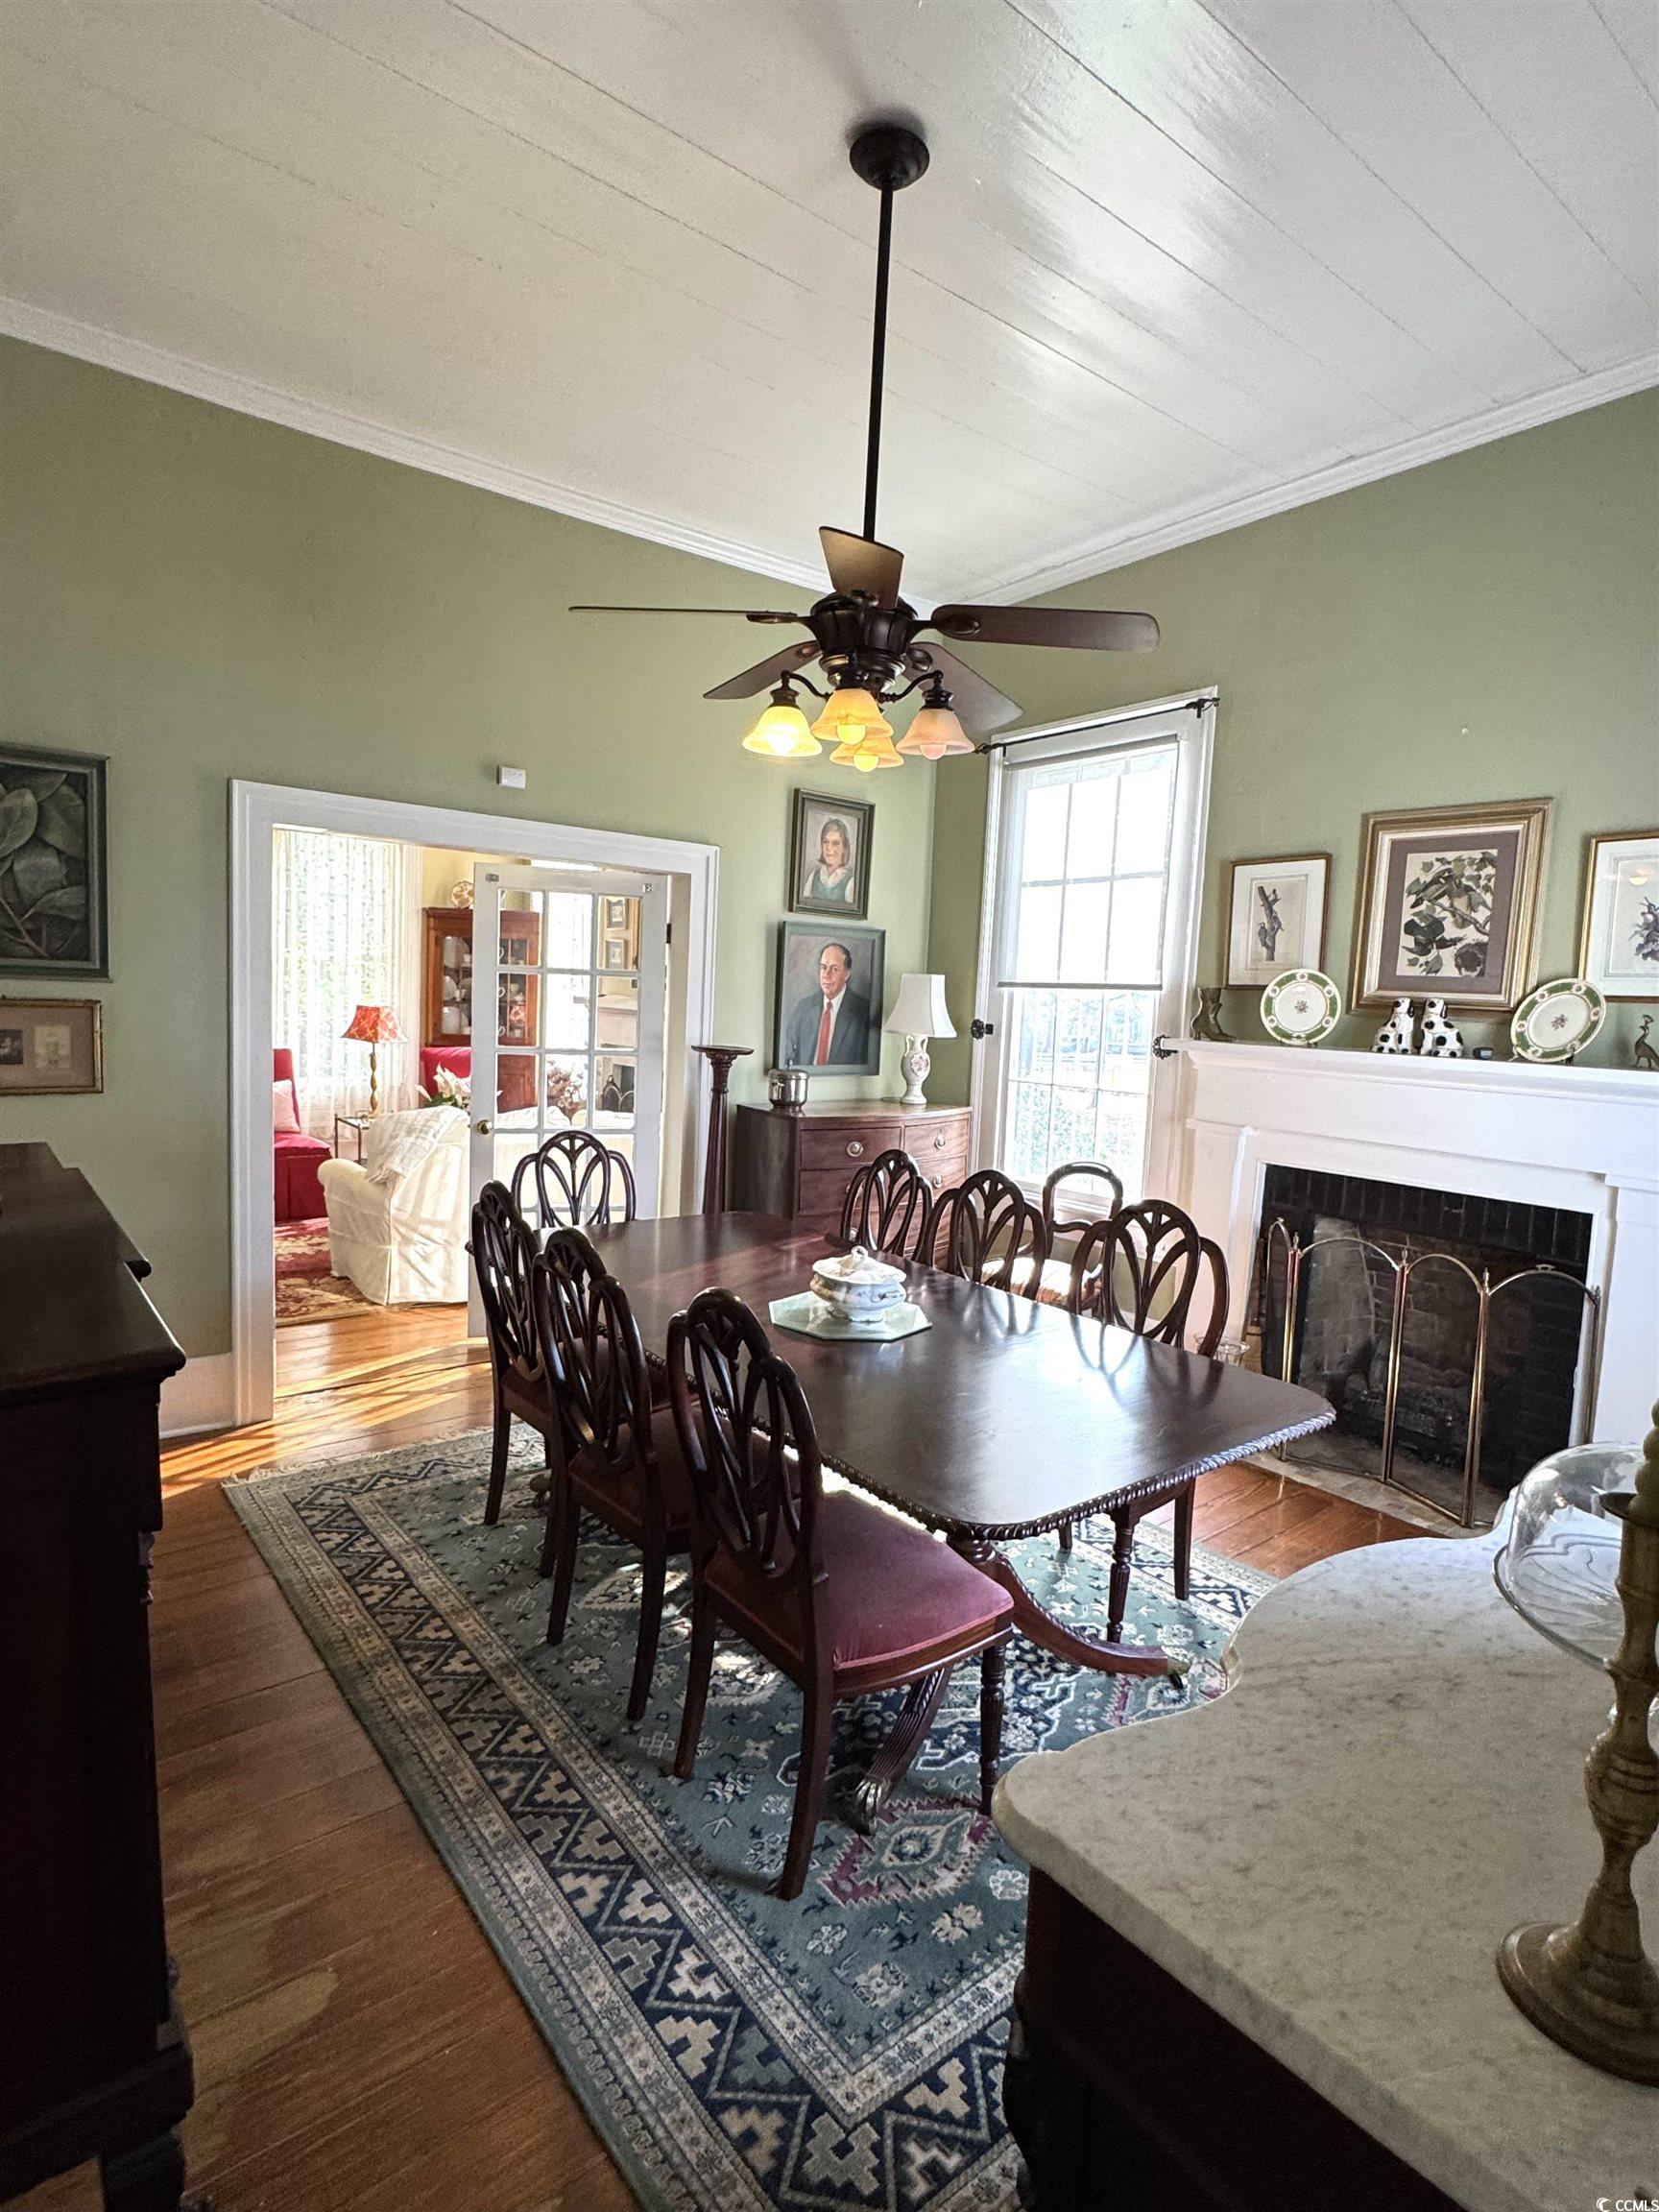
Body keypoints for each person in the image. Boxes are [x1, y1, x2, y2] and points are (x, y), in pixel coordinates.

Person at [781, 940, 872, 1068]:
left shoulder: (863, 1012)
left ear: (846, 974)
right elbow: (788, 1055)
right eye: (823, 967)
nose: (826, 975)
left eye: (834, 969)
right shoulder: (804, 1008)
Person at [801, 816, 858, 907]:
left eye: (835, 843)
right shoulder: (813, 876)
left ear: (845, 847)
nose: (829, 848)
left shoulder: (850, 882)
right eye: (825, 842)